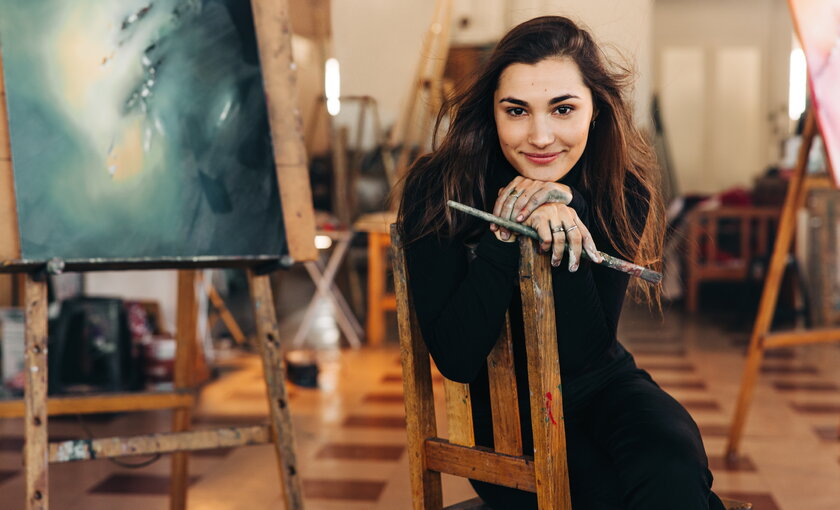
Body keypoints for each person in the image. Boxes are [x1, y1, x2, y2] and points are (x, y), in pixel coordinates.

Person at [397, 15, 726, 510]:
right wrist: (506, 234)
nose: (541, 136)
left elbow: (585, 353)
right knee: (616, 497)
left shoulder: (622, 187)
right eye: (517, 111)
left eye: (563, 109)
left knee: (673, 464)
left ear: (594, 109)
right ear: (492, 112)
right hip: (508, 426)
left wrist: (566, 219)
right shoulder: (440, 188)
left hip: (605, 387)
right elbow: (458, 359)